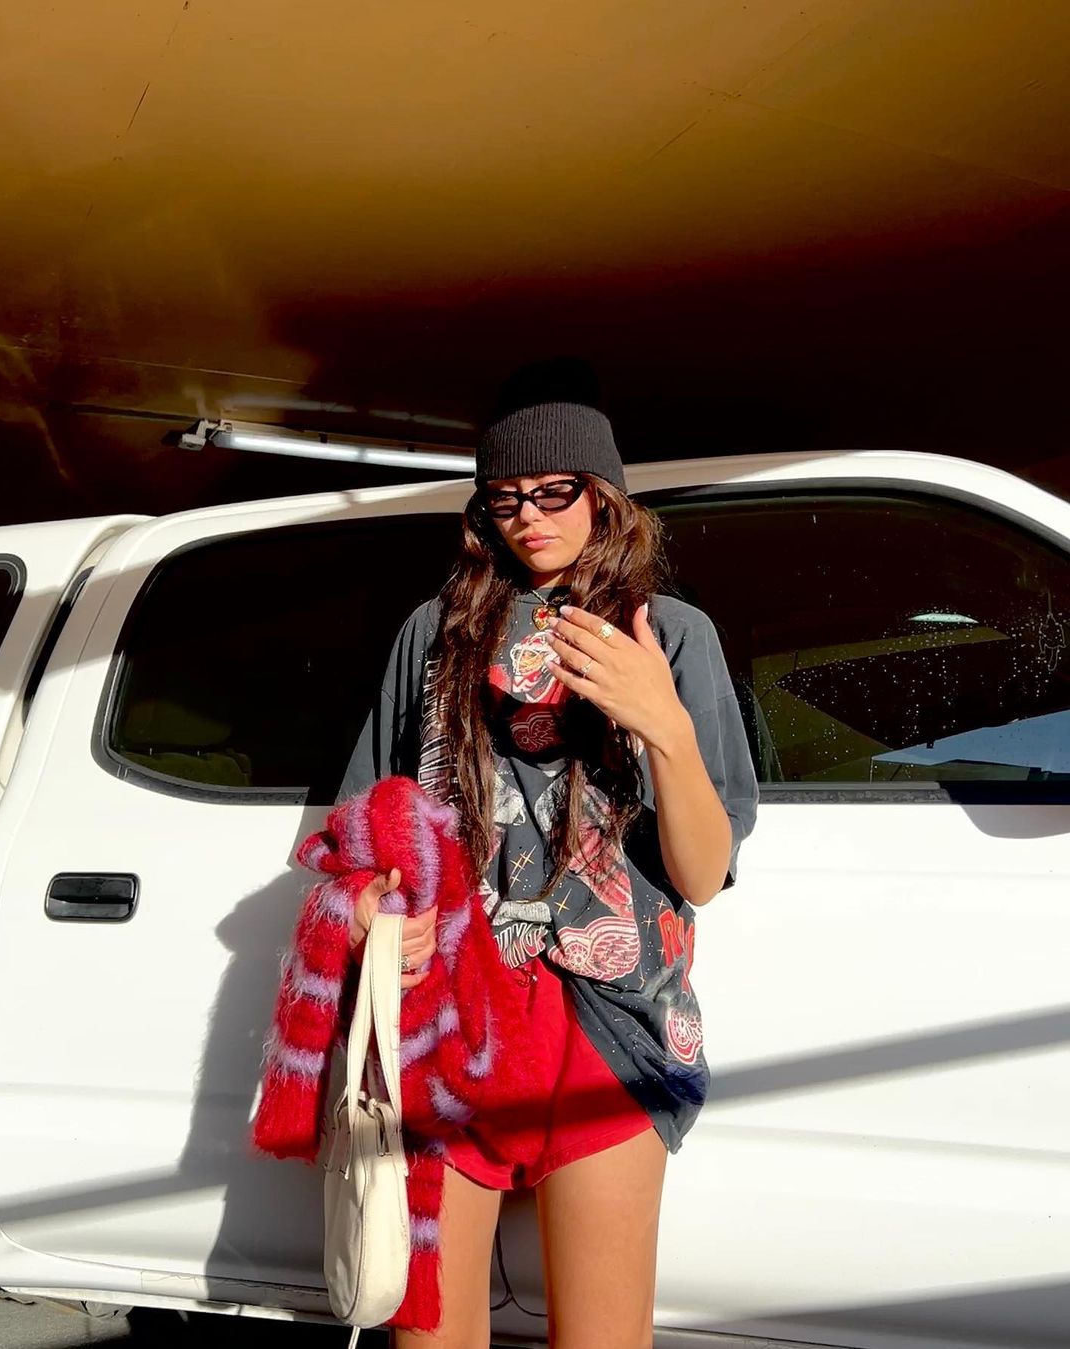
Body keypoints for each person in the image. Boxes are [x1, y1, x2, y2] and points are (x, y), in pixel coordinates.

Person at [340, 393, 758, 1349]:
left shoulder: (670, 634)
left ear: (605, 495)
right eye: (505, 497)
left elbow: (701, 873)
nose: (529, 515)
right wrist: (370, 907)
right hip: (451, 1014)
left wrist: (664, 723)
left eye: (555, 491)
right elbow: (372, 826)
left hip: (610, 1027)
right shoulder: (435, 632)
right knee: (428, 1333)